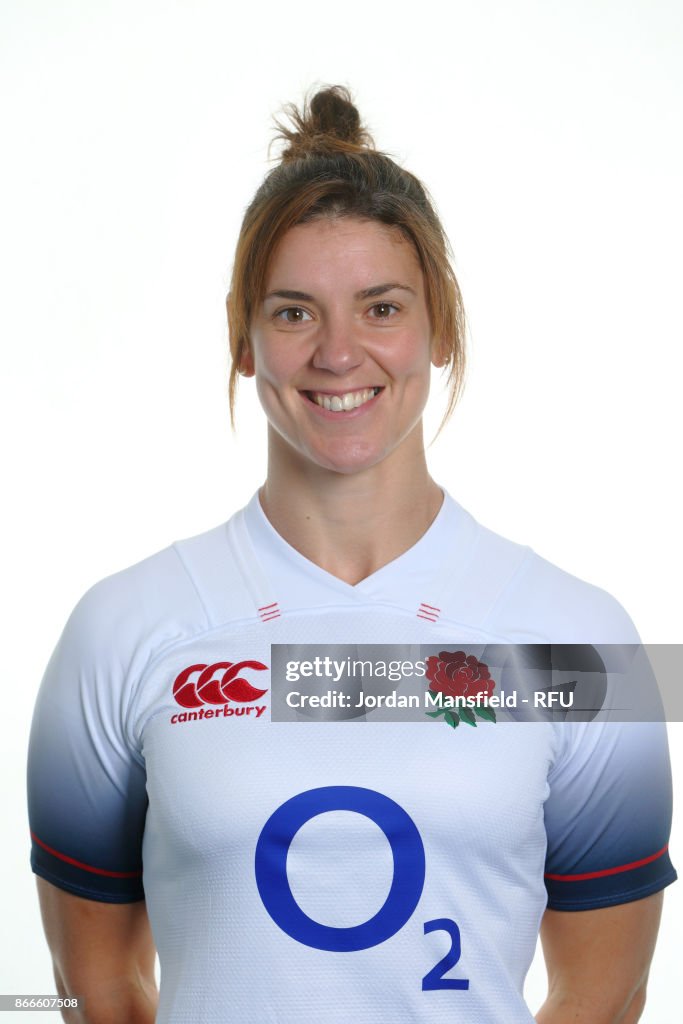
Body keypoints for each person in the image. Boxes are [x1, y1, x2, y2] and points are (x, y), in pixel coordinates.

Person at [27, 85, 676, 1024]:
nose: (339, 353)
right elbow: (97, 993)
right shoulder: (121, 631)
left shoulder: (581, 640)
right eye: (293, 313)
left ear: (439, 326)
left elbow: (607, 995)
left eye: (380, 307)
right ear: (242, 338)